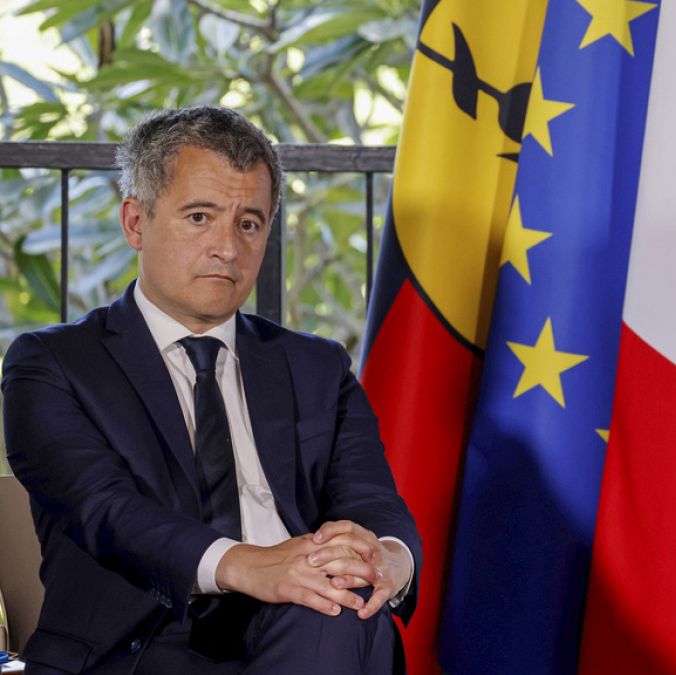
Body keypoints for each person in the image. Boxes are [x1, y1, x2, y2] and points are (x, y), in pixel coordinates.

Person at [2, 106, 421, 674]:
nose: (228, 246)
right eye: (200, 217)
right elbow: (107, 511)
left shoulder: (317, 365)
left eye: (249, 222)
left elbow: (371, 499)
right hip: (140, 644)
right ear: (135, 222)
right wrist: (248, 564)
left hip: (309, 626)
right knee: (328, 609)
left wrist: (389, 558)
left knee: (335, 607)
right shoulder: (51, 363)